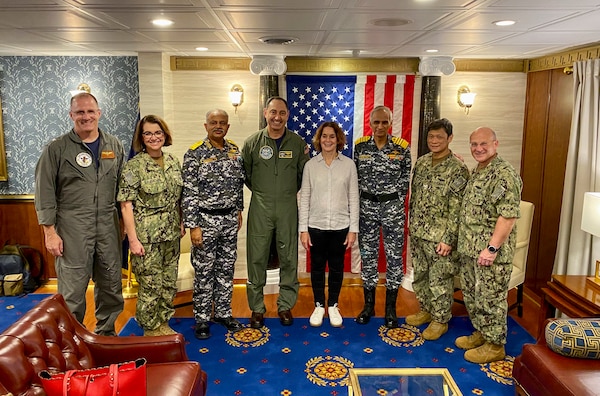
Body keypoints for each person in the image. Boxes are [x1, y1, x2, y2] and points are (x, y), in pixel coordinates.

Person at [34, 92, 124, 336]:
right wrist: (50, 232)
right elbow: (44, 191)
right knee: (73, 290)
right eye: (80, 112)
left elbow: (122, 191)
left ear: (99, 113)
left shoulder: (114, 145)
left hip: (107, 225)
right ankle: (73, 339)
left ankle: (106, 335)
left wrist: (123, 226)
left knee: (110, 284)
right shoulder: (56, 149)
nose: (86, 117)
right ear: (71, 115)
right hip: (72, 225)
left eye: (90, 111)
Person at [455, 127, 522, 364]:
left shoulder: (503, 174)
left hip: (489, 253)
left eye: (483, 144)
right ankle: (482, 333)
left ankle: (495, 346)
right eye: (474, 144)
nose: (478, 148)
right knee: (474, 296)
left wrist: (492, 248)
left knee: (490, 298)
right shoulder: (479, 170)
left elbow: (508, 216)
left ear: (496, 143)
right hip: (470, 249)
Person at [242, 96, 310, 328]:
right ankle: (257, 308)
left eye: (282, 113)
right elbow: (247, 175)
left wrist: (284, 192)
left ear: (288, 115)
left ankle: (285, 305)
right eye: (273, 112)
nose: (277, 117)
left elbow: (303, 177)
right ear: (265, 113)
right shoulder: (252, 143)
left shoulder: (298, 143)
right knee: (257, 257)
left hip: (288, 206)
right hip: (260, 205)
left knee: (289, 256)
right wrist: (264, 192)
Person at [117, 115, 183, 337]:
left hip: (171, 234)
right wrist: (132, 240)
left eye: (158, 133)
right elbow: (126, 205)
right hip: (147, 237)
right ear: (141, 137)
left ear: (165, 135)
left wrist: (181, 222)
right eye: (148, 133)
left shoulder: (174, 161)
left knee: (168, 282)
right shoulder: (134, 166)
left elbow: (179, 198)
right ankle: (149, 328)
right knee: (150, 285)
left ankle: (163, 322)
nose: (154, 137)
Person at [182, 109, 245, 340]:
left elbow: (238, 183)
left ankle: (223, 313)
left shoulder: (234, 151)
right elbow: (188, 192)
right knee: (204, 271)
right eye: (213, 122)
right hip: (205, 220)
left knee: (226, 268)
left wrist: (238, 209)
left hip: (229, 219)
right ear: (205, 125)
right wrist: (193, 226)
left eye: (222, 123)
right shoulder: (195, 153)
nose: (218, 126)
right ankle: (201, 318)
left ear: (228, 127)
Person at [406, 118, 469, 340]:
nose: (434, 141)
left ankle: (440, 319)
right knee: (421, 275)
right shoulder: (421, 163)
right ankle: (426, 310)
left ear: (449, 138)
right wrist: (410, 224)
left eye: (439, 137)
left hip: (441, 237)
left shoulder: (458, 168)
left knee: (440, 279)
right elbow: (414, 197)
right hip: (419, 232)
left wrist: (449, 239)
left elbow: (458, 209)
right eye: (431, 137)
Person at [353, 105, 411, 328]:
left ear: (390, 123)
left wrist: (395, 205)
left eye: (384, 122)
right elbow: (354, 178)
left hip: (392, 209)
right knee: (368, 256)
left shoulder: (401, 148)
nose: (380, 126)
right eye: (376, 122)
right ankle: (368, 306)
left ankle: (390, 309)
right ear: (369, 123)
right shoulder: (360, 148)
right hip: (366, 208)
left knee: (394, 258)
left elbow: (405, 181)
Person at [299, 121, 359, 328]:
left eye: (332, 136)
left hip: (340, 226)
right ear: (319, 139)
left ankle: (333, 304)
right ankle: (318, 305)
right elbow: (304, 197)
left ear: (338, 139)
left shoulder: (349, 165)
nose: (327, 140)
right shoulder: (310, 166)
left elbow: (354, 197)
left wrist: (353, 229)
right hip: (315, 226)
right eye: (324, 136)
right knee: (316, 267)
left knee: (336, 267)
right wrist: (303, 229)